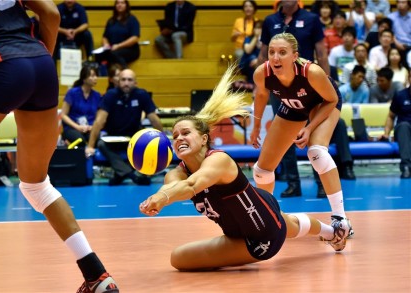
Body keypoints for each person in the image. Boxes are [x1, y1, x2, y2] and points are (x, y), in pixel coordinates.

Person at [139, 66, 349, 272]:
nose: (179, 139)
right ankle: (333, 234)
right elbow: (173, 186)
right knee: (286, 223)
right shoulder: (177, 173)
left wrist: (162, 199)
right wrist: (156, 198)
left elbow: (192, 185)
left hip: (261, 239)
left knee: (179, 258)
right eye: (175, 136)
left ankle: (242, 251)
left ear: (204, 139)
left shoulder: (218, 160)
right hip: (254, 211)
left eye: (185, 133)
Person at [0, 1, 119, 292]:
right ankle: (97, 276)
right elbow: (51, 14)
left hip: (1, 67)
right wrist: (35, 66)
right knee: (36, 186)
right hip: (40, 65)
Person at [251, 32, 352, 237]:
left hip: (323, 103)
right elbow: (261, 95)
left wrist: (309, 127)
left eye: (282, 52)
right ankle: (269, 217)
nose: (275, 57)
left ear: (294, 55)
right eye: (271, 52)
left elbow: (331, 100)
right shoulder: (262, 73)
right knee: (261, 171)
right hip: (294, 106)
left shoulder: (312, 72)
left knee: (316, 152)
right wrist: (255, 127)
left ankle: (341, 220)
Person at [258, 0, 329, 199]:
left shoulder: (311, 18)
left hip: (309, 86)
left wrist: (328, 79)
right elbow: (263, 52)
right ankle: (292, 183)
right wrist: (258, 80)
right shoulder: (270, 20)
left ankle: (321, 183)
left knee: (312, 135)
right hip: (279, 85)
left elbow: (321, 51)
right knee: (284, 137)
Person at [85, 69, 163, 186]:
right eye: (123, 80)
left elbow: (154, 119)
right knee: (101, 144)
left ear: (135, 83)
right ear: (118, 81)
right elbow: (99, 121)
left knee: (148, 141)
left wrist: (162, 139)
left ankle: (121, 174)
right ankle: (131, 174)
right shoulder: (110, 95)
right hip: (113, 138)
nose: (126, 83)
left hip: (134, 137)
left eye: (129, 80)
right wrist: (90, 146)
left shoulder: (142, 95)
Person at [379, 70, 411, 178]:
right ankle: (406, 166)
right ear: (408, 79)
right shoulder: (400, 95)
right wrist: (386, 133)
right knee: (404, 126)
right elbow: (391, 116)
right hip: (404, 131)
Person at [60, 64, 102, 147]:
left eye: (96, 75)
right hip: (72, 128)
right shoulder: (72, 93)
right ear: (84, 78)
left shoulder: (97, 95)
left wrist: (92, 127)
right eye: (92, 75)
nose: (95, 78)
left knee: (97, 140)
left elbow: (99, 117)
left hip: (89, 128)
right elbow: (63, 115)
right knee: (80, 141)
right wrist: (78, 127)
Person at [95, 0, 140, 68]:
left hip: (130, 49)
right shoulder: (111, 20)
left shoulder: (132, 20)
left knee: (114, 54)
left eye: (122, 3)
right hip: (113, 48)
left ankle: (125, 72)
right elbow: (105, 37)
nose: (119, 5)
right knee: (98, 55)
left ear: (126, 5)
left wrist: (119, 46)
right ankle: (103, 75)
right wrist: (106, 44)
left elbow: (135, 38)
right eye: (117, 3)